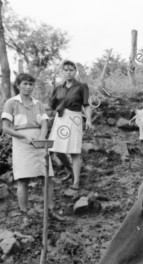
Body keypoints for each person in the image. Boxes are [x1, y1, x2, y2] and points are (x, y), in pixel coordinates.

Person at [1, 73, 57, 225]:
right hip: (22, 143)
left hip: (39, 142)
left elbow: (44, 123)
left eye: (31, 84)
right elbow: (5, 128)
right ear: (18, 85)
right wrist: (24, 137)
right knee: (23, 179)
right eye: (25, 84)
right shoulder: (11, 103)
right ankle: (24, 214)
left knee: (47, 177)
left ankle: (50, 211)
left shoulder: (38, 104)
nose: (28, 87)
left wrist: (42, 136)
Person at [48, 60, 93, 190]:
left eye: (71, 70)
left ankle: (76, 181)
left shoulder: (81, 86)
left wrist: (89, 120)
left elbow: (86, 105)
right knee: (56, 150)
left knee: (74, 151)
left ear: (75, 71)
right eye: (66, 70)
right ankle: (69, 170)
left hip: (74, 118)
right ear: (63, 72)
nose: (68, 73)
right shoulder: (58, 88)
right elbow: (51, 106)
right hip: (60, 119)